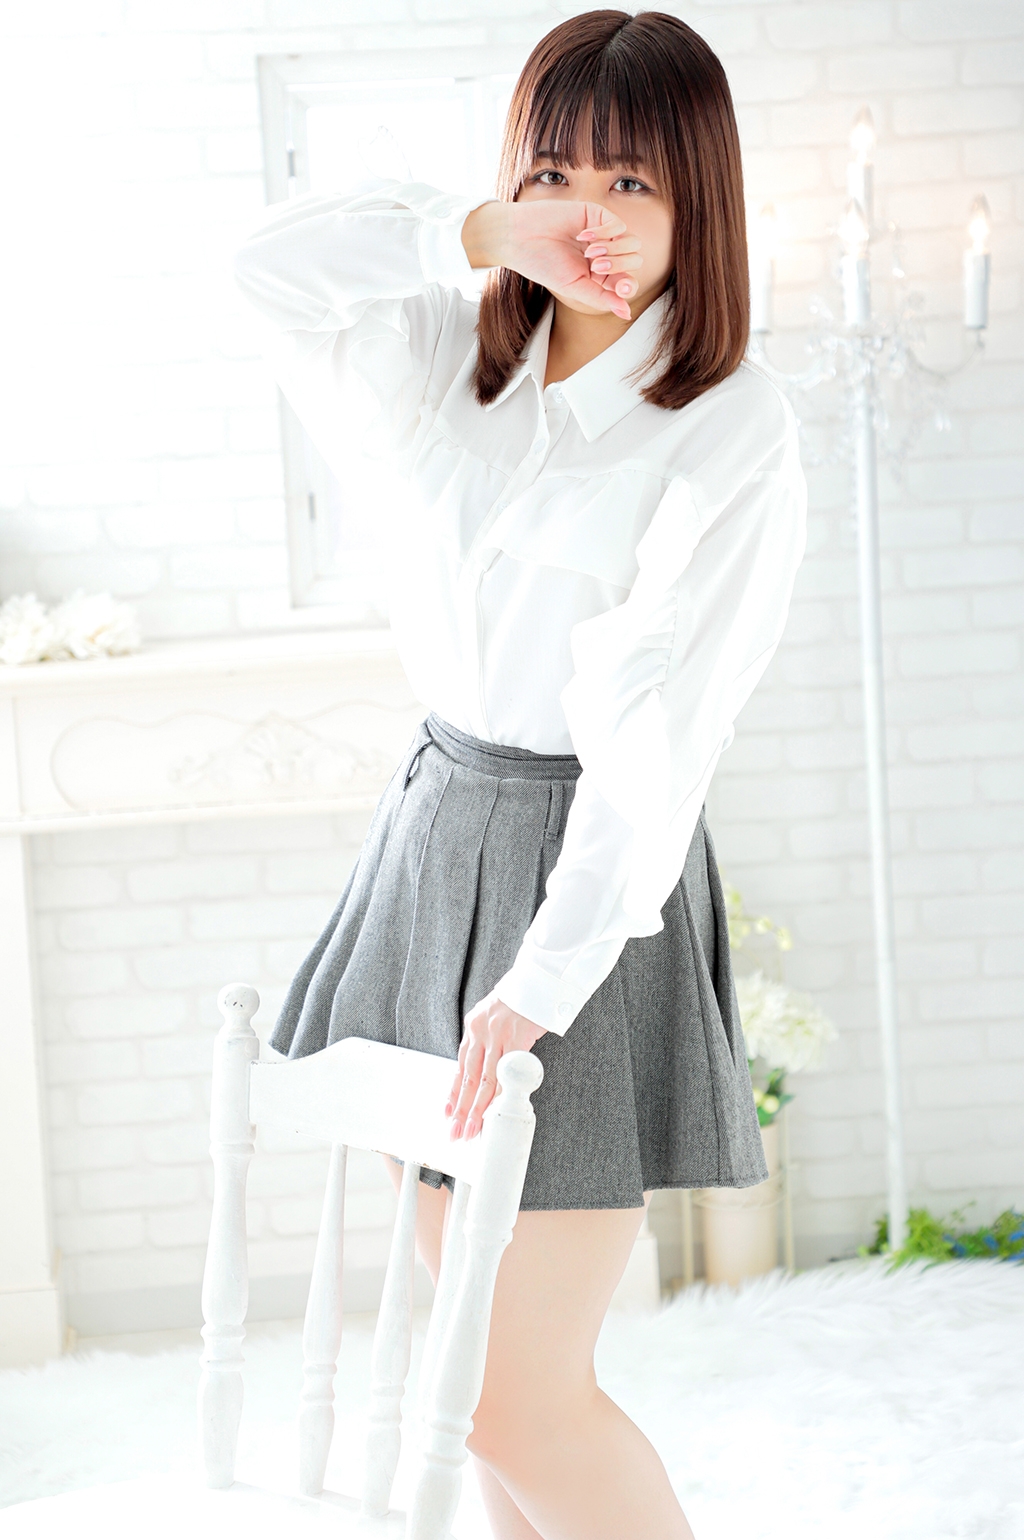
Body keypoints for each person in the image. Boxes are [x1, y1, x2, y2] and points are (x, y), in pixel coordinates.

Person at [233, 9, 806, 1537]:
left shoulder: (728, 426)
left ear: (699, 199)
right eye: (555, 173)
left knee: (510, 1390)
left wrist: (547, 975)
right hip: (436, 835)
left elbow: (662, 739)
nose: (587, 218)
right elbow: (263, 267)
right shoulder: (442, 354)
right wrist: (482, 229)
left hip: (582, 873)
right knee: (466, 1376)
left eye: (632, 183)